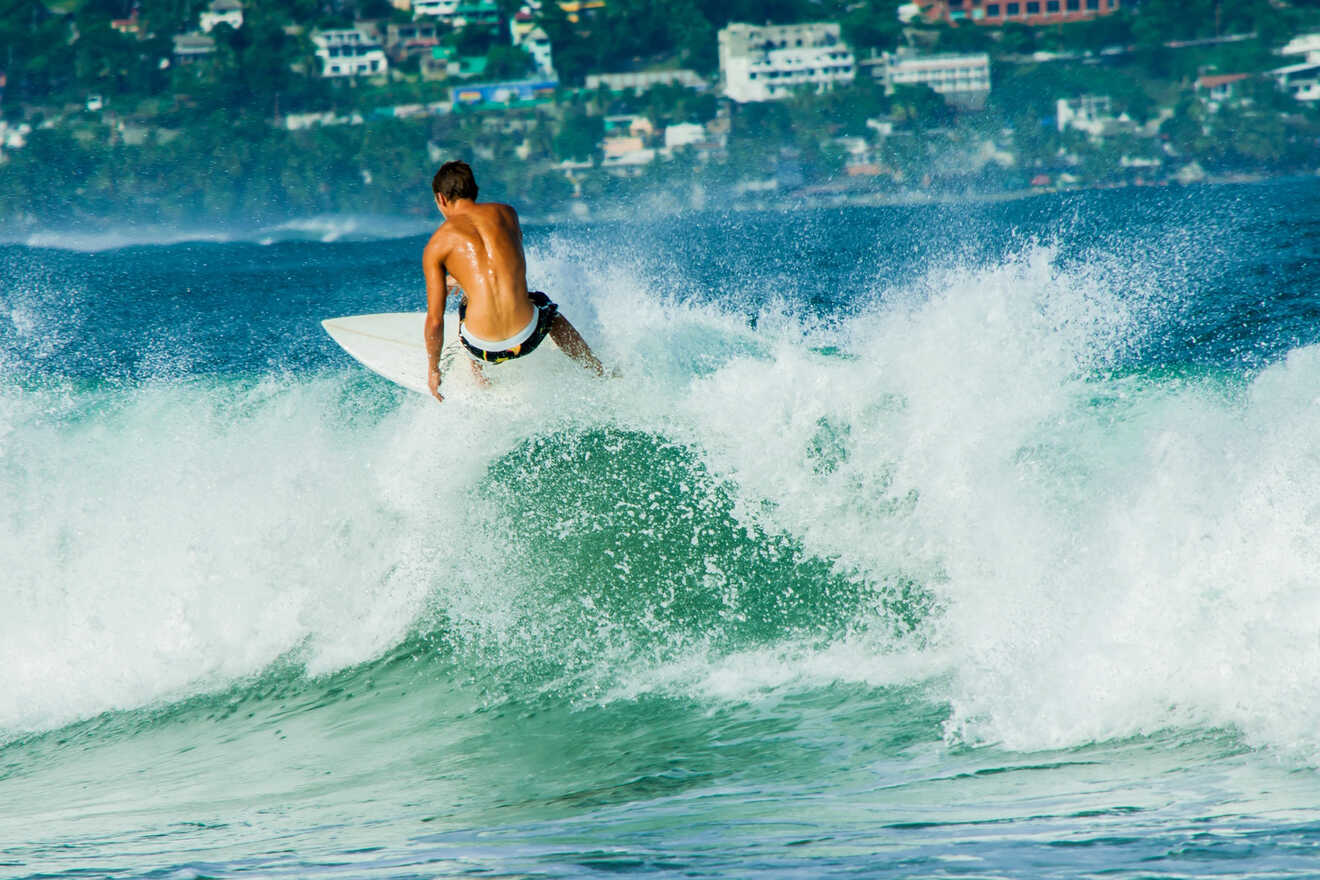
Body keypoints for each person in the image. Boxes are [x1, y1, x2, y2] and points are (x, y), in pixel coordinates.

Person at [422, 160, 602, 402]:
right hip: (529, 336)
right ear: (474, 190)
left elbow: (434, 322)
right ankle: (598, 372)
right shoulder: (507, 214)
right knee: (549, 312)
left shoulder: (436, 245)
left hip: (483, 349)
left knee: (467, 303)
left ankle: (479, 377)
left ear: (441, 199)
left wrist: (434, 369)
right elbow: (502, 259)